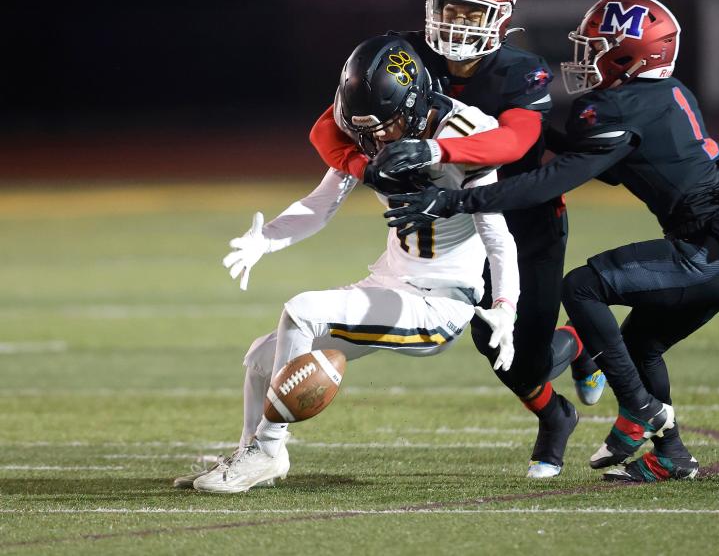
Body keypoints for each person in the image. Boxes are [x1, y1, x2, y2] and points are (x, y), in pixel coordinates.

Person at [384, 0, 719, 482]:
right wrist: (533, 134)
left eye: (596, 45)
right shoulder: (669, 93)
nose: (583, 56)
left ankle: (638, 411)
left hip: (706, 252)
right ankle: (672, 456)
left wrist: (456, 200)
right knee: (640, 348)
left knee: (581, 286)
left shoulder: (615, 107)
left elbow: (555, 180)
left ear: (629, 53)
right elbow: (610, 165)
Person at [174, 36, 520, 493]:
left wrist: (506, 305)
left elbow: (498, 234)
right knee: (262, 358)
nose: (375, 139)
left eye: (386, 127)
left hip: (442, 303)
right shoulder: (371, 129)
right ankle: (252, 454)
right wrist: (267, 239)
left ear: (414, 105)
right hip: (392, 279)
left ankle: (268, 448)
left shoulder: (464, 137)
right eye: (366, 130)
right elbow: (322, 203)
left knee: (302, 309)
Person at [310, 0, 604, 479]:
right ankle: (555, 415)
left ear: (499, 18)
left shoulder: (520, 69)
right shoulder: (407, 53)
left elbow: (519, 140)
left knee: (527, 353)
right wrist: (362, 165)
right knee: (492, 340)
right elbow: (326, 128)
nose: (456, 22)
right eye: (448, 8)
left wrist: (436, 153)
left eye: (470, 13)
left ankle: (579, 344)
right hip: (452, 218)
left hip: (522, 215)